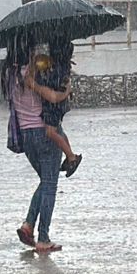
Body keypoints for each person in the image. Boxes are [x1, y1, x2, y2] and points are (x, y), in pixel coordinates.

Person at [1, 44, 66, 252]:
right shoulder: (34, 75)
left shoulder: (11, 76)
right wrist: (66, 87)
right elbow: (53, 97)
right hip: (44, 133)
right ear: (28, 54)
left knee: (45, 182)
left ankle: (28, 225)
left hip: (27, 136)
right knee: (49, 185)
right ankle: (43, 238)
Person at [33, 39, 82, 177]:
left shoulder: (57, 68)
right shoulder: (63, 66)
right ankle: (69, 156)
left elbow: (52, 83)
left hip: (53, 105)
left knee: (50, 132)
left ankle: (71, 157)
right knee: (58, 130)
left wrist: (40, 79)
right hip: (58, 105)